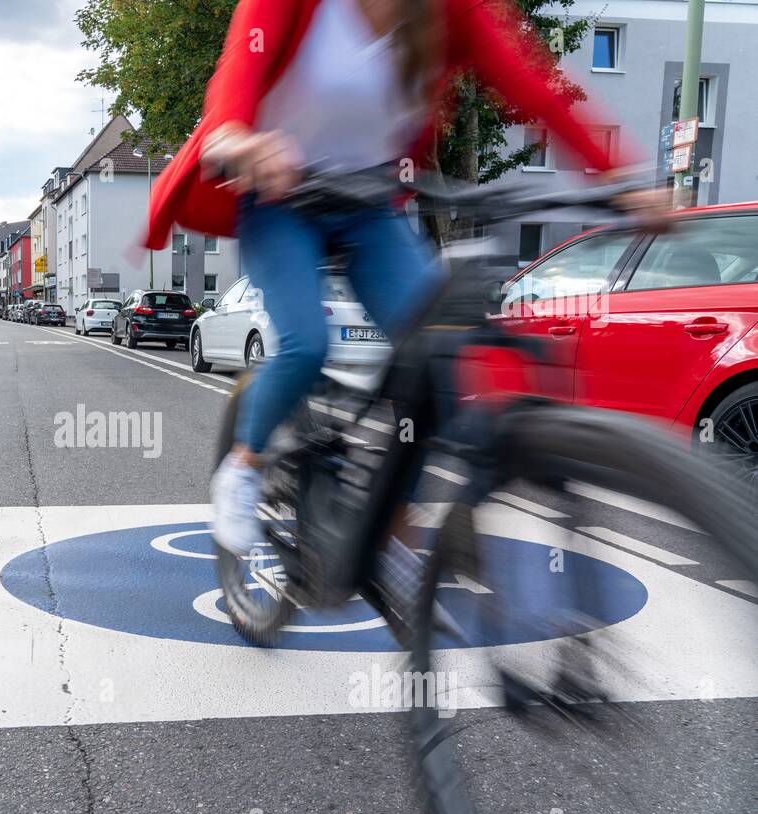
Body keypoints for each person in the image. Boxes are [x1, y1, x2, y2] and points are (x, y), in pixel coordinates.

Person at [144, 0, 654, 554]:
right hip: (278, 200)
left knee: (437, 352)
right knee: (304, 345)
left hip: (369, 208)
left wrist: (620, 177)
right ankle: (242, 471)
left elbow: (529, 83)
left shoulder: (450, 11)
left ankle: (396, 507)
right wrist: (235, 137)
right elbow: (238, 72)